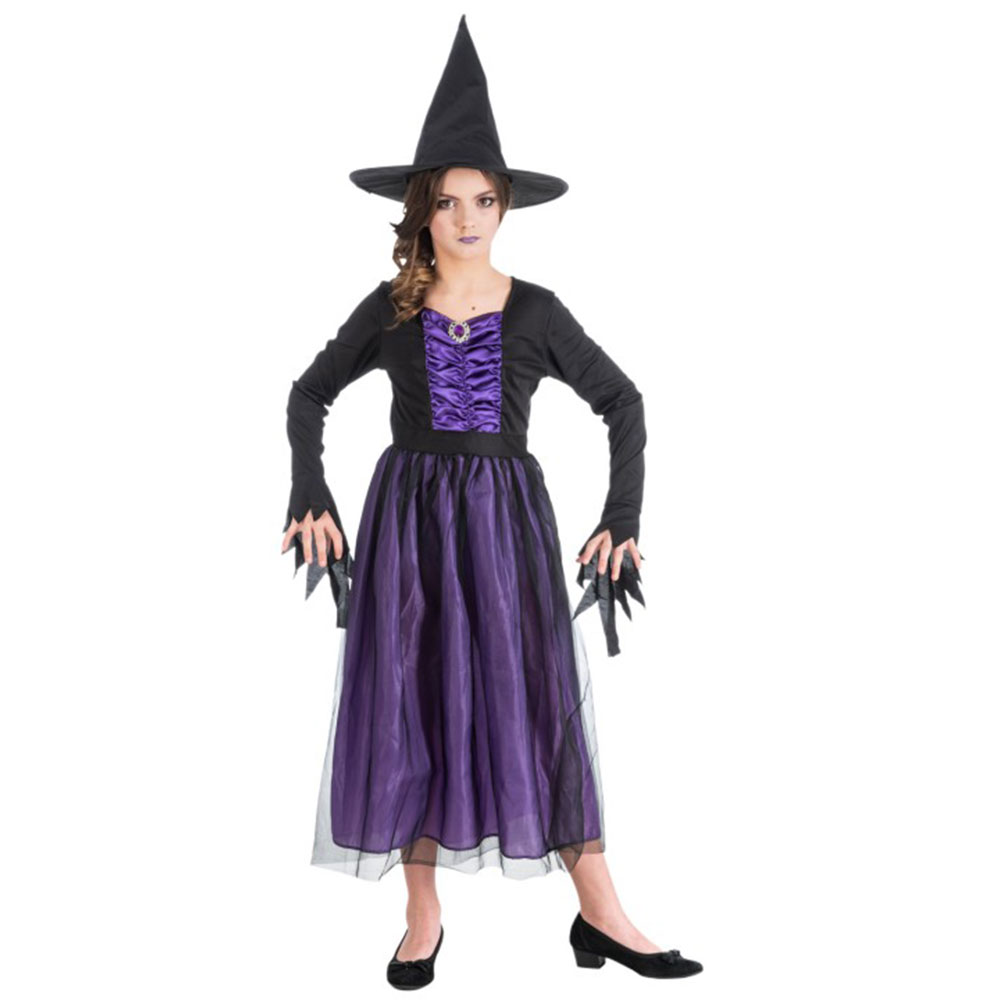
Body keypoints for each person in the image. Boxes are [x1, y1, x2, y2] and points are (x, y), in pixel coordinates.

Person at [279, 15, 703, 991]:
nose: (466, 218)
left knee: (535, 698)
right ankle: (421, 912)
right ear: (421, 210)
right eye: (447, 201)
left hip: (505, 528)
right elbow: (308, 394)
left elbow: (623, 402)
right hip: (409, 526)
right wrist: (311, 489)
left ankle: (599, 908)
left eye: (483, 200)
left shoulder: (536, 310)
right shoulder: (391, 309)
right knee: (411, 696)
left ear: (504, 207)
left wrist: (622, 517)